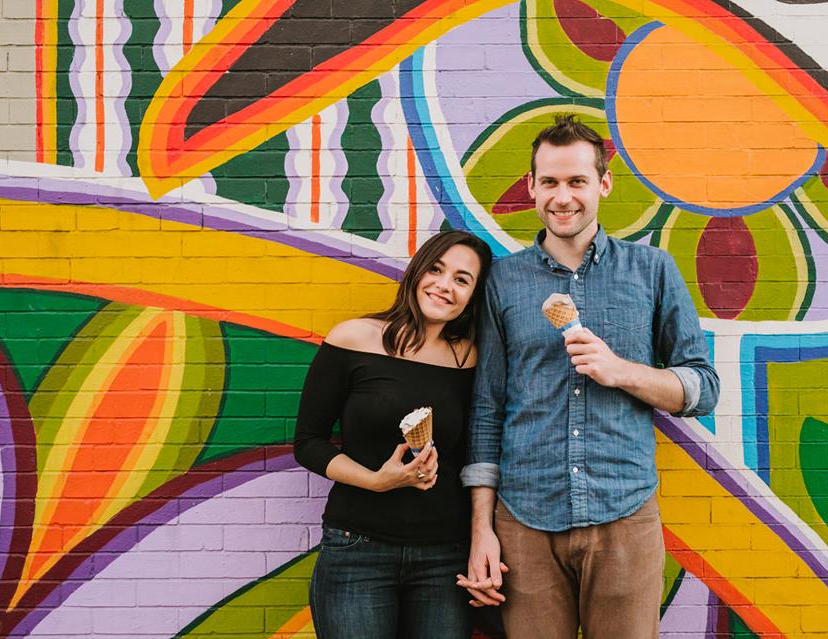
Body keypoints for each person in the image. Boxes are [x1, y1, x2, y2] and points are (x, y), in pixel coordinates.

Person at [457, 115, 720, 638]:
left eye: (576, 181)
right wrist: (481, 528)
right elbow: (487, 408)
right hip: (524, 518)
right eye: (549, 181)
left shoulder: (652, 270)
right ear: (531, 187)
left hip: (624, 512)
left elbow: (702, 387)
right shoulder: (503, 280)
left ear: (603, 184)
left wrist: (621, 371)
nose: (563, 196)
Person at [294, 230, 493, 639]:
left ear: (473, 296)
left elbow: (478, 454)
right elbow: (308, 442)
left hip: (444, 557)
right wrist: (376, 481)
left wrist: (480, 542)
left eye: (462, 279)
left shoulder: (471, 359)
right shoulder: (353, 338)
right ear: (417, 272)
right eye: (436, 269)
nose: (444, 286)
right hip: (357, 549)